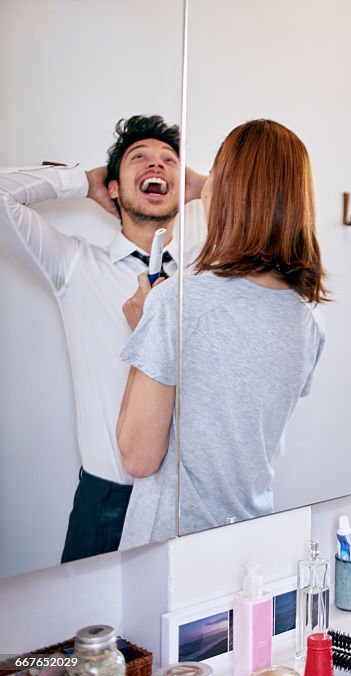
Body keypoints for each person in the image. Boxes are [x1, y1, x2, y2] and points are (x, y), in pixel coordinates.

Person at [0, 115, 205, 562]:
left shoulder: (205, 273)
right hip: (107, 505)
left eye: (170, 161)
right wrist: (82, 181)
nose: (157, 166)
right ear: (113, 187)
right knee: (78, 633)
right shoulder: (75, 264)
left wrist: (203, 186)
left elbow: (273, 222)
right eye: (140, 158)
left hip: (191, 503)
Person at [116, 119, 327, 546]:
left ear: (226, 191)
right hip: (250, 540)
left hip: (169, 550)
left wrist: (148, 327)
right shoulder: (307, 321)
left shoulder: (177, 302)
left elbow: (138, 456)